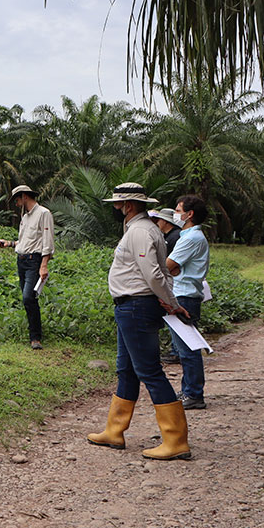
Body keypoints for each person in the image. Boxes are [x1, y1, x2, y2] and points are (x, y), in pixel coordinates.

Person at [87, 183, 192, 460]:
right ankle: (114, 431)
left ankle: (176, 440)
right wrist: (171, 301)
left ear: (129, 205)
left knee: (149, 371)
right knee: (126, 369)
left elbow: (155, 275)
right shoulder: (143, 230)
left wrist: (172, 303)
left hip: (136, 306)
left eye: (118, 205)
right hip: (129, 306)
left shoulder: (141, 231)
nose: (116, 209)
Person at [0, 185, 55, 349]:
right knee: (28, 299)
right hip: (21, 260)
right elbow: (25, 241)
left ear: (24, 196)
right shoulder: (25, 217)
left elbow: (47, 242)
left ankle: (36, 337)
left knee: (29, 297)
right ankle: (33, 335)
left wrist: (44, 265)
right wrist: (9, 244)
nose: (16, 203)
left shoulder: (43, 213)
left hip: (34, 260)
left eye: (17, 199)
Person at [166, 195, 211, 410]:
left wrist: (172, 268)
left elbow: (169, 265)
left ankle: (194, 393)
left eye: (178, 209)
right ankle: (189, 390)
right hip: (183, 292)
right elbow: (174, 267)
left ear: (189, 214)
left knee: (187, 349)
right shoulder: (189, 236)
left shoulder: (191, 238)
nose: (175, 213)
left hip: (184, 295)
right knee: (182, 347)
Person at [149, 208, 184, 364]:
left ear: (165, 221)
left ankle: (177, 351)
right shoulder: (168, 236)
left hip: (176, 284)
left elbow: (170, 264)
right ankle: (175, 350)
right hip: (171, 281)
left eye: (158, 221)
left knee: (176, 320)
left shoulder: (175, 237)